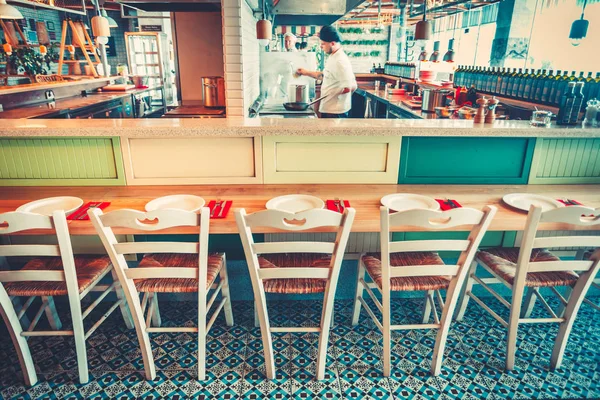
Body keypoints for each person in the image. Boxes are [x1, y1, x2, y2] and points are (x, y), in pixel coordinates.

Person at [296, 25, 357, 118]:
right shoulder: (333, 56)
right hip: (329, 109)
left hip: (335, 112)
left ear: (332, 43)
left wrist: (335, 94)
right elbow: (324, 76)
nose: (321, 46)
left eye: (323, 44)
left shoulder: (340, 61)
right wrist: (305, 72)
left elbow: (352, 86)